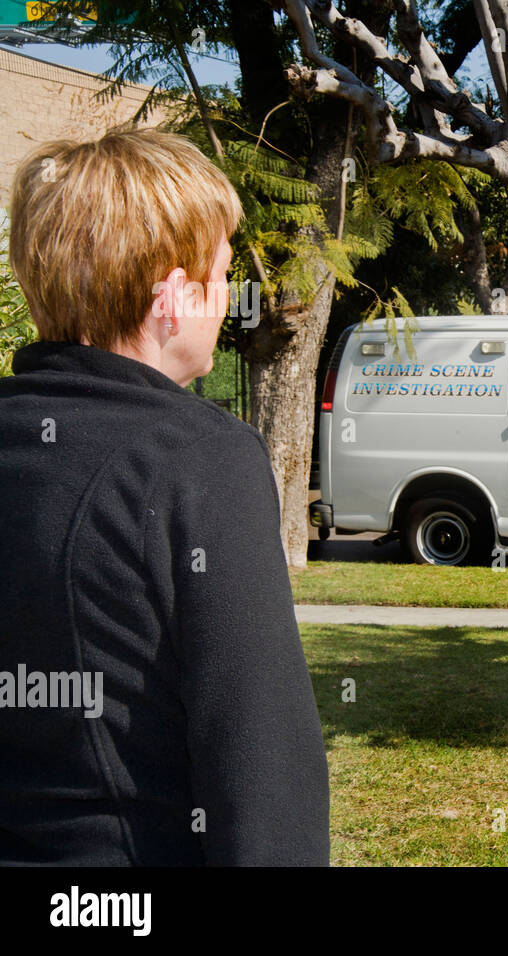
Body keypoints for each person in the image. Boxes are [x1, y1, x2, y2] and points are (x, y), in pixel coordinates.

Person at [0, 129, 329, 865]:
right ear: (173, 298)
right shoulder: (197, 456)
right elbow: (260, 755)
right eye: (221, 275)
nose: (230, 300)